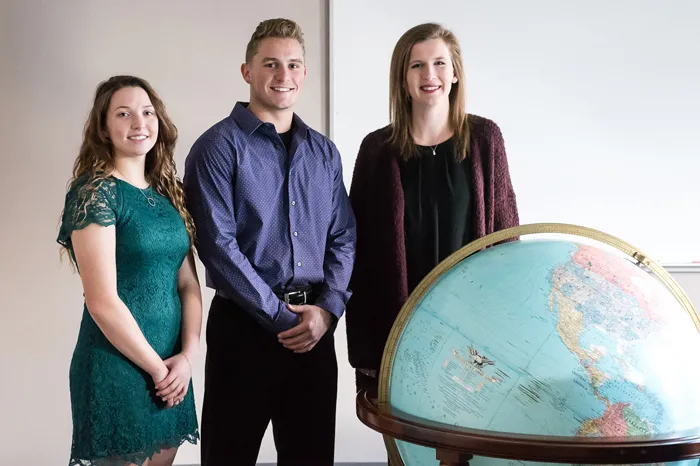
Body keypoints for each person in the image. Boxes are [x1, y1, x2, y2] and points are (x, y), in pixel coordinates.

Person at [183, 18, 356, 466]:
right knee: (229, 456)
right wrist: (281, 319)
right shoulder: (217, 148)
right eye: (271, 64)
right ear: (247, 71)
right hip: (245, 331)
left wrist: (328, 309)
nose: (284, 76)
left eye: (294, 64)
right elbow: (218, 247)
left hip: (315, 331)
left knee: (310, 457)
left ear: (304, 73)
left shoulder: (324, 152)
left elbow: (343, 236)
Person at [345, 23, 520, 394]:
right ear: (402, 78)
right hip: (401, 331)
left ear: (455, 73)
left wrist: (506, 337)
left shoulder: (486, 140)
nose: (430, 75)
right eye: (417, 66)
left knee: (468, 443)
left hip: (474, 334)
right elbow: (358, 257)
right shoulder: (377, 150)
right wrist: (369, 352)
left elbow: (508, 238)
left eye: (440, 63)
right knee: (405, 446)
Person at [57, 75, 202, 466]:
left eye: (147, 112)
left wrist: (187, 357)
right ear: (104, 127)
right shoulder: (95, 192)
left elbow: (188, 285)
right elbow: (102, 301)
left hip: (173, 369)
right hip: (117, 367)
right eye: (124, 114)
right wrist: (158, 370)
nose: (139, 123)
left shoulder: (169, 195)